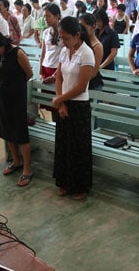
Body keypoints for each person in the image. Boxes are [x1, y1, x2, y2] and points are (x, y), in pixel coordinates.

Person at [0, 30, 33, 186]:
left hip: (17, 97)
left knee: (21, 133)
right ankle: (16, 162)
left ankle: (27, 169)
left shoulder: (18, 53)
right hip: (3, 97)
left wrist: (15, 86)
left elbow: (29, 73)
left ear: (3, 43)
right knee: (7, 131)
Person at [51, 16, 95, 200]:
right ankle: (64, 181)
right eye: (61, 38)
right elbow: (59, 77)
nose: (63, 41)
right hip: (64, 103)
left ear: (77, 35)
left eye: (66, 38)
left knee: (78, 147)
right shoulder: (64, 51)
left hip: (79, 105)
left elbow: (81, 86)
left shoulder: (86, 53)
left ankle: (79, 186)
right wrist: (61, 104)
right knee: (63, 145)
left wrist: (60, 99)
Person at [39, 4, 64, 121]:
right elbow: (43, 53)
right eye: (44, 17)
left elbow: (66, 57)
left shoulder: (64, 33)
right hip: (46, 68)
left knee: (60, 101)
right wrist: (40, 71)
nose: (45, 19)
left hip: (58, 70)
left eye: (48, 16)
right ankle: (55, 125)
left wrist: (55, 75)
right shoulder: (46, 32)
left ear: (57, 16)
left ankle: (61, 127)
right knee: (50, 103)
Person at [79, 13, 104, 91]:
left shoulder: (98, 46)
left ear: (93, 27)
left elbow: (93, 72)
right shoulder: (79, 41)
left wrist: (78, 83)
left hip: (91, 84)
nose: (81, 31)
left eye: (84, 28)